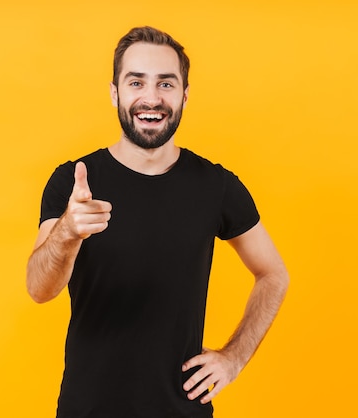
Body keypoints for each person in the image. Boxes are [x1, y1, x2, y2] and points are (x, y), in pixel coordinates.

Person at [26, 26, 289, 418]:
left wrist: (233, 359)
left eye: (166, 84)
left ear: (184, 95)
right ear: (115, 92)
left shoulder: (215, 186)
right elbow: (38, 289)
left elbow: (273, 275)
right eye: (137, 82)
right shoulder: (73, 180)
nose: (151, 98)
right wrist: (67, 231)